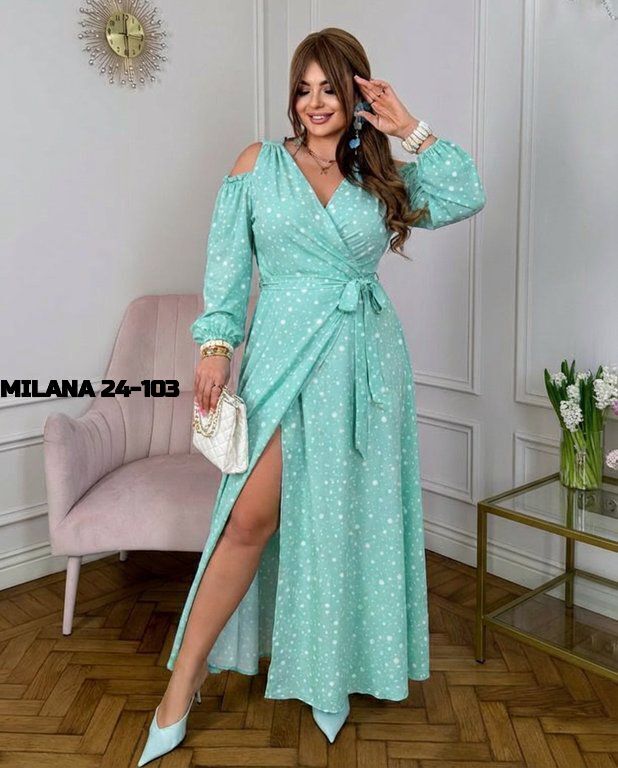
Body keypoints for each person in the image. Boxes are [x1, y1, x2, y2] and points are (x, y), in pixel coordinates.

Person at [137, 26, 486, 766]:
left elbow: (467, 192)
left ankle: (332, 675)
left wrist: (407, 125)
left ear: (358, 93)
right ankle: (180, 689)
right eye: (304, 88)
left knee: (344, 519)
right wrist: (214, 349)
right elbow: (227, 270)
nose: (315, 102)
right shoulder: (257, 164)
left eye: (331, 87)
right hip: (281, 359)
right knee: (247, 519)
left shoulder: (382, 176)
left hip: (363, 366)